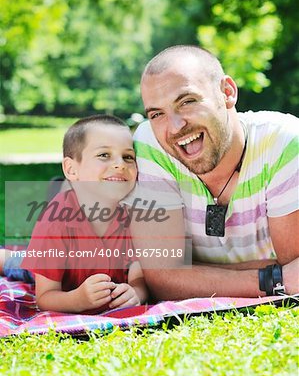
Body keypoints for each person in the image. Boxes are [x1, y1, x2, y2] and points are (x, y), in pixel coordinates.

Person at [126, 45, 299, 300]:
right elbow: (163, 279)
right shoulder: (151, 144)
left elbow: (295, 263)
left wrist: (190, 275)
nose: (175, 127)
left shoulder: (284, 142)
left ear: (227, 92)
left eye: (187, 101)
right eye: (157, 114)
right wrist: (273, 278)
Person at [0, 115, 148, 313]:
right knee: (18, 263)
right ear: (71, 168)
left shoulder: (137, 215)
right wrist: (79, 299)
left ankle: (62, 187)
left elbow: (138, 276)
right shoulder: (55, 222)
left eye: (128, 157)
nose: (120, 164)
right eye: (104, 155)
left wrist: (136, 292)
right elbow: (45, 298)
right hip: (58, 271)